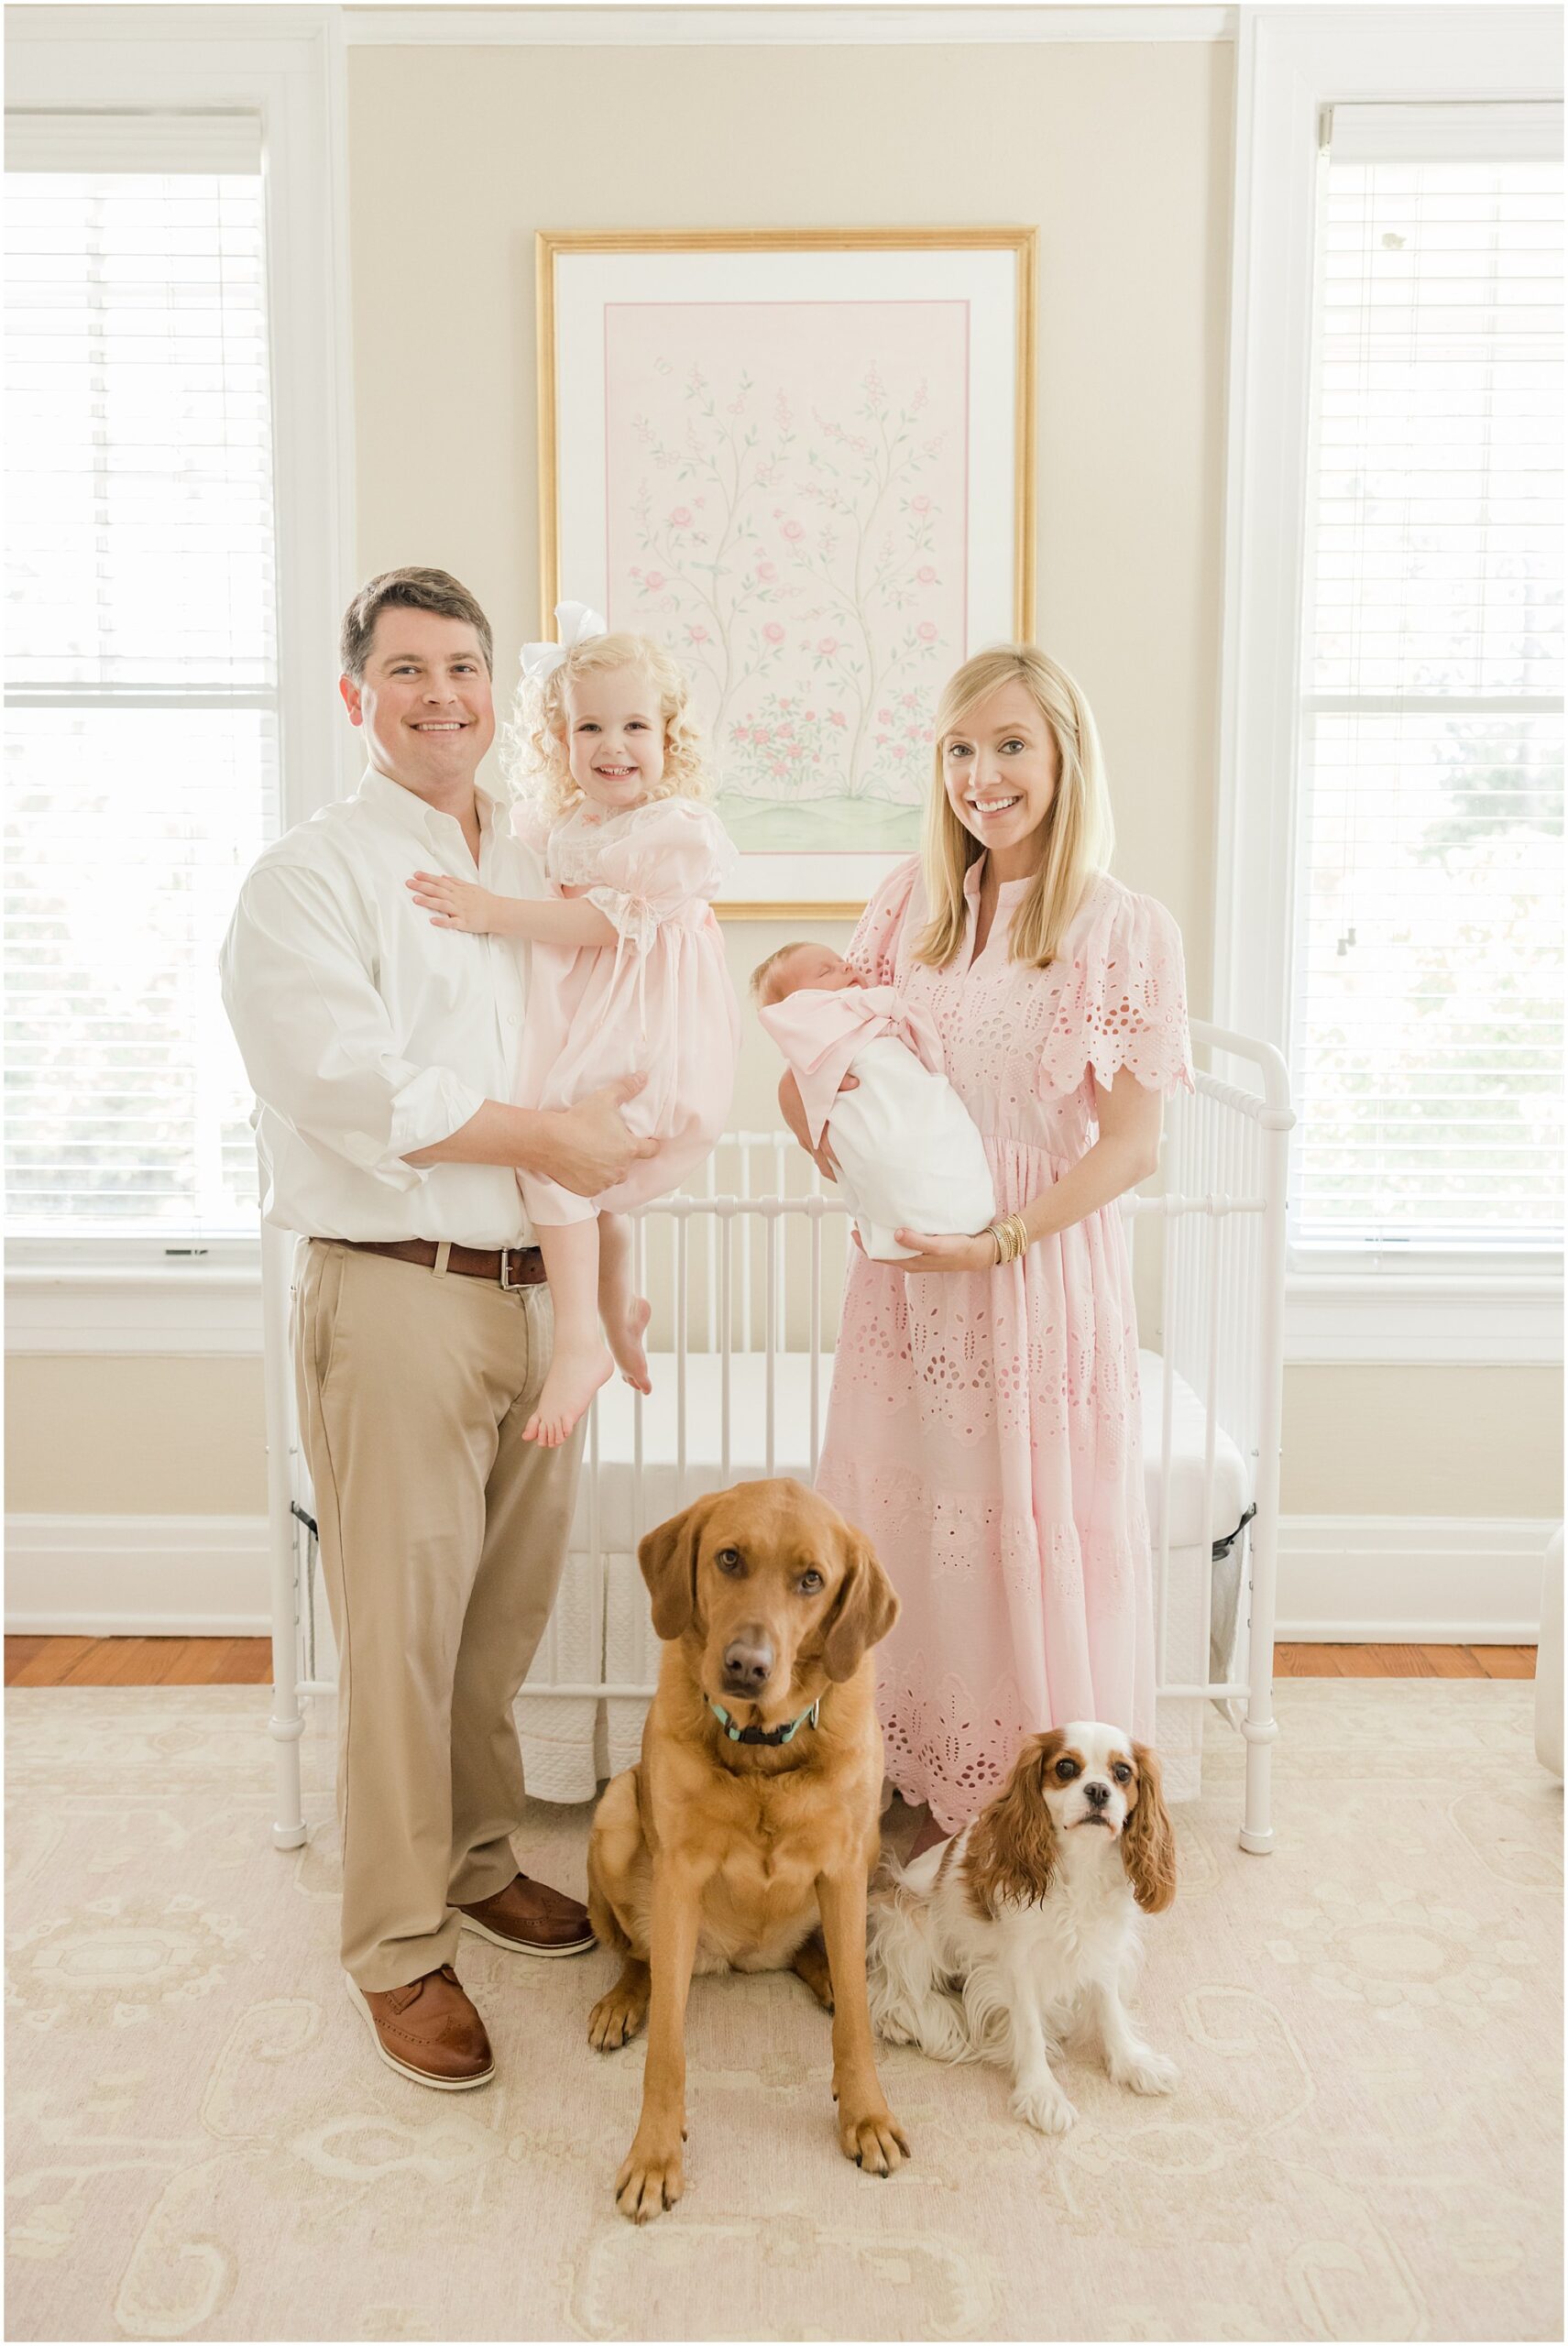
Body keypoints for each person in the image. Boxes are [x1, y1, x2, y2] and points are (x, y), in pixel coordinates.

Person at [220, 567, 659, 2090]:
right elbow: (348, 1084)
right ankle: (399, 1940)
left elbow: (603, 1049)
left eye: (463, 667)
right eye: (405, 670)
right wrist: (546, 1136)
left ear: (495, 692)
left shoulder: (539, 865)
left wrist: (611, 1268)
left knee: (499, 1624)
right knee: (399, 1640)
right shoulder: (309, 879)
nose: (440, 695)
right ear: (357, 698)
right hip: (396, 1287)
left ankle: (478, 1857)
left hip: (543, 1295)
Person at [782, 644, 1192, 1860]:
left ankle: (1027, 1804)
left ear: (1064, 756)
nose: (980, 775)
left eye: (1009, 745)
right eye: (958, 750)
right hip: (906, 1281)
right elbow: (823, 1060)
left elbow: (1126, 1147)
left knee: (1016, 1527)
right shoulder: (909, 907)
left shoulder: (1120, 930)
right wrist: (826, 1127)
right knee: (909, 1528)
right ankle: (908, 1780)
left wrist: (1001, 1235)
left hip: (1028, 1274)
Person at [406, 602, 740, 1448]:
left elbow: (600, 927)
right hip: (602, 1018)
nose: (612, 746)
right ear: (558, 742)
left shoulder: (672, 832)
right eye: (588, 727)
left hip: (648, 1031)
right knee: (589, 1175)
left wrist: (492, 912)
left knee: (556, 1157)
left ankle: (581, 1339)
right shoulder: (563, 829)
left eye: (634, 725)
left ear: (669, 738)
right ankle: (618, 1309)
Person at [751, 939, 995, 1261]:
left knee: (943, 1130)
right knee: (882, 1152)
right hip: (873, 1107)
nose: (847, 966)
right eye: (826, 971)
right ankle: (907, 1214)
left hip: (915, 1100)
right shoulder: (822, 1034)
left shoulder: (872, 1010)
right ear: (800, 1006)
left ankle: (951, 1202)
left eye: (841, 962)